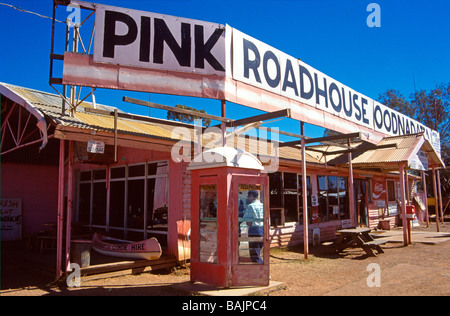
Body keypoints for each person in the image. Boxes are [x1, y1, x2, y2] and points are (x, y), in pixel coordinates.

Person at [243, 190, 264, 263]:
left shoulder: (250, 206)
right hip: (262, 230)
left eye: (248, 196)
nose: (248, 198)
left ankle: (260, 268)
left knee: (254, 253)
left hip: (253, 230)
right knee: (258, 251)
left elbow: (248, 221)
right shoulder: (262, 205)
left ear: (251, 196)